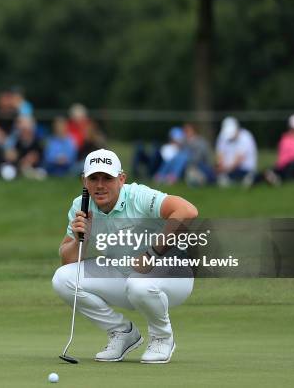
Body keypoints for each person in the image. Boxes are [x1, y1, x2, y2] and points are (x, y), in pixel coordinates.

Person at [52, 149, 197, 364]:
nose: (100, 185)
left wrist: (152, 254)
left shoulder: (139, 196)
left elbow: (187, 211)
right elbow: (68, 261)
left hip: (173, 275)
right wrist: (80, 238)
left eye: (107, 178)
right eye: (93, 178)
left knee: (139, 283)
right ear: (84, 181)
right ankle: (122, 333)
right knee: (62, 278)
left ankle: (162, 337)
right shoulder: (80, 206)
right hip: (124, 273)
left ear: (121, 178)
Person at [264, 114, 294, 185]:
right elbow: (282, 156)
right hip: (284, 165)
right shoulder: (285, 138)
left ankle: (278, 179)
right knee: (271, 170)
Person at [215, 117, 257, 187]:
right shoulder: (222, 136)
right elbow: (220, 155)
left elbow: (238, 161)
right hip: (227, 169)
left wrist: (224, 169)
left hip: (244, 169)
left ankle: (245, 179)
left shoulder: (246, 137)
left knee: (240, 174)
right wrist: (219, 166)